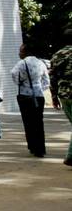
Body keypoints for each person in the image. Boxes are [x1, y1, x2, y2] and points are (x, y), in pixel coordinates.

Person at [11, 44, 50, 157]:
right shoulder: (41, 63)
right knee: (38, 122)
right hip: (39, 96)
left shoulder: (22, 63)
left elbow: (15, 76)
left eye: (20, 51)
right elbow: (46, 81)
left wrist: (23, 83)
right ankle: (41, 148)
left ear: (25, 52)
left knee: (28, 122)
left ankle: (32, 146)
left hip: (25, 96)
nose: (19, 53)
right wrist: (39, 88)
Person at [48, 29, 72, 167]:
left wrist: (54, 96)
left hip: (64, 94)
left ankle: (70, 157)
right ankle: (70, 157)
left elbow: (52, 77)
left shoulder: (57, 55)